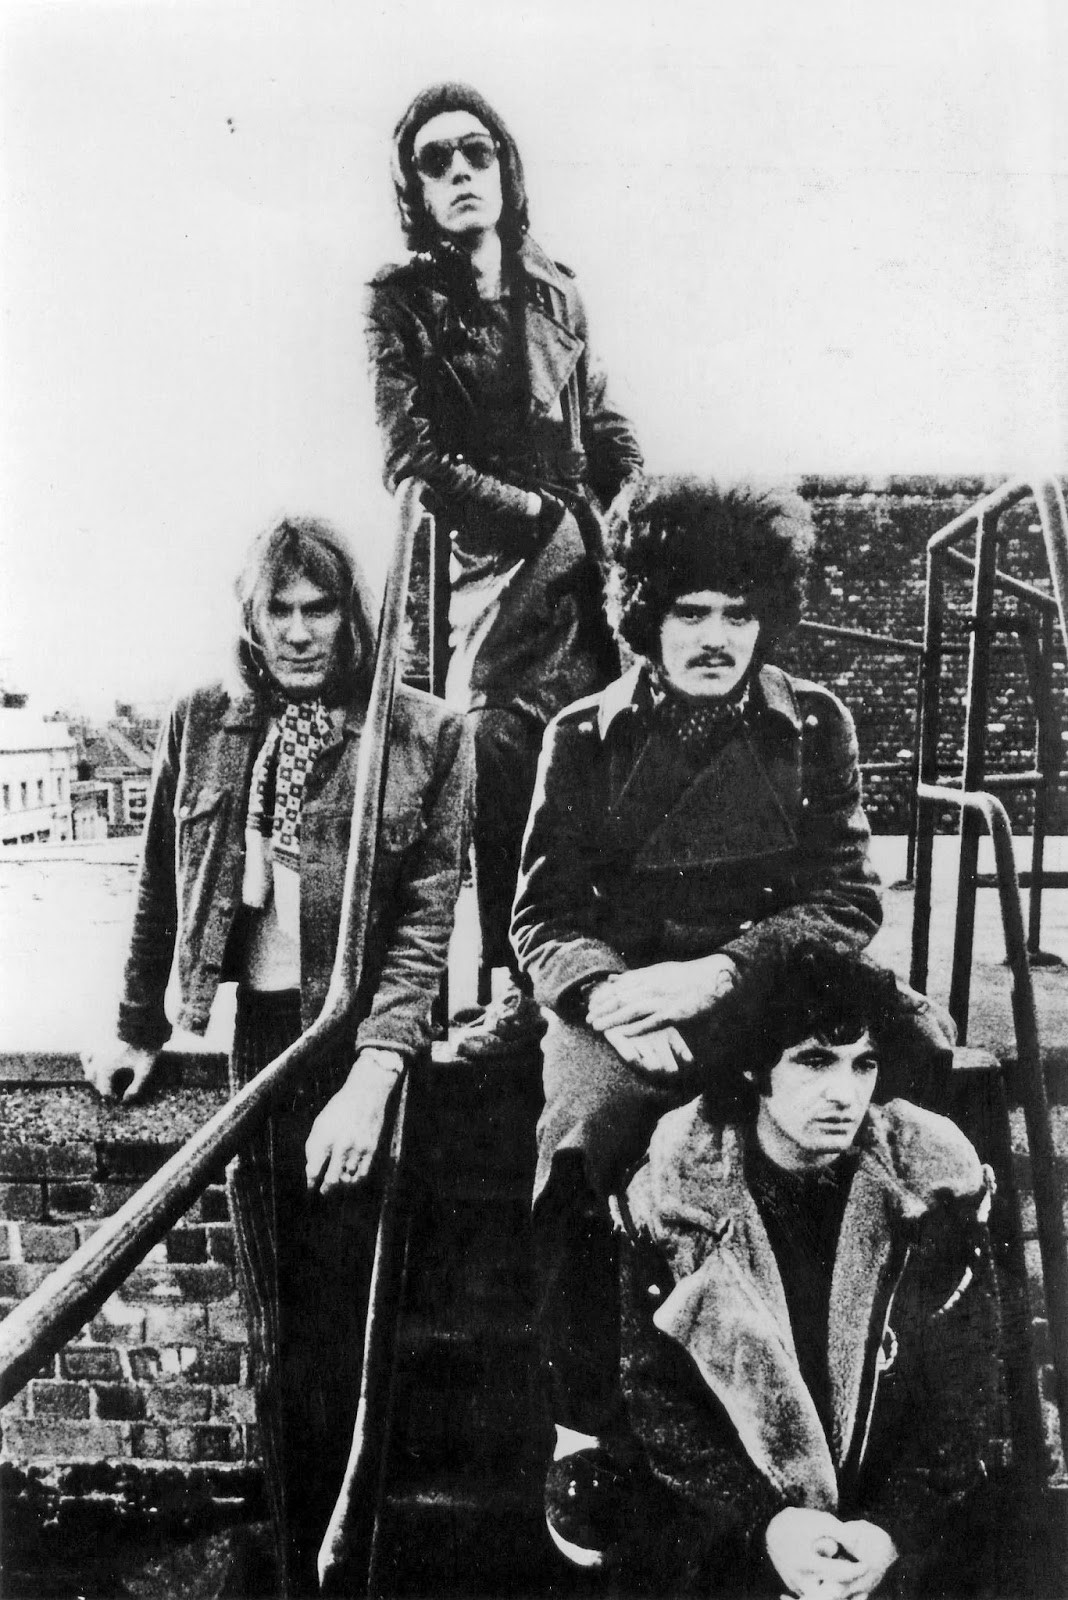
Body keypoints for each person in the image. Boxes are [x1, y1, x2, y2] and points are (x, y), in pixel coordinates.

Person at [511, 476, 937, 1565]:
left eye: (739, 613)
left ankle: (889, 1423)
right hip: (626, 1003)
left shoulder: (816, 723)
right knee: (586, 1130)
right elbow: (542, 914)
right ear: (644, 614)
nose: (715, 637)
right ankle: (583, 1429)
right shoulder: (582, 735)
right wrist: (604, 998)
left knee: (918, 1091)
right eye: (689, 611)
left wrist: (723, 972)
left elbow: (846, 896)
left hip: (765, 989)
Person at [83, 516, 471, 1597]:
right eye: (280, 610)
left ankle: (365, 1561)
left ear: (354, 616)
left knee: (360, 1327)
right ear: (251, 619)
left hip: (367, 1050)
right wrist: (138, 1026)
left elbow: (425, 927)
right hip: (260, 1047)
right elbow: (162, 884)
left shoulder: (426, 734)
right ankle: (302, 1563)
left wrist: (374, 1074)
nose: (300, 632)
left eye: (321, 608)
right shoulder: (204, 721)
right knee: (281, 1329)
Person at [366, 81, 642, 1057]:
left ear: (505, 167)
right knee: (490, 743)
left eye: (476, 153)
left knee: (610, 742)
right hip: (484, 568)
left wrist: (628, 503)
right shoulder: (401, 304)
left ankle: (606, 970)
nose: (460, 173)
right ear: (415, 189)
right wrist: (533, 516)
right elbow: (411, 457)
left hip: (583, 565)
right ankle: (519, 983)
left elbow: (601, 423)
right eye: (435, 162)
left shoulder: (557, 289)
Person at [616, 945, 1001, 1598]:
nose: (843, 1093)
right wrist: (769, 1527)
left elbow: (967, 1397)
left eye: (863, 1064)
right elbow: (659, 1404)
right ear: (754, 1068)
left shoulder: (933, 1184)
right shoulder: (675, 1196)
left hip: (890, 1541)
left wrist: (887, 1534)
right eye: (815, 1061)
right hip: (737, 1539)